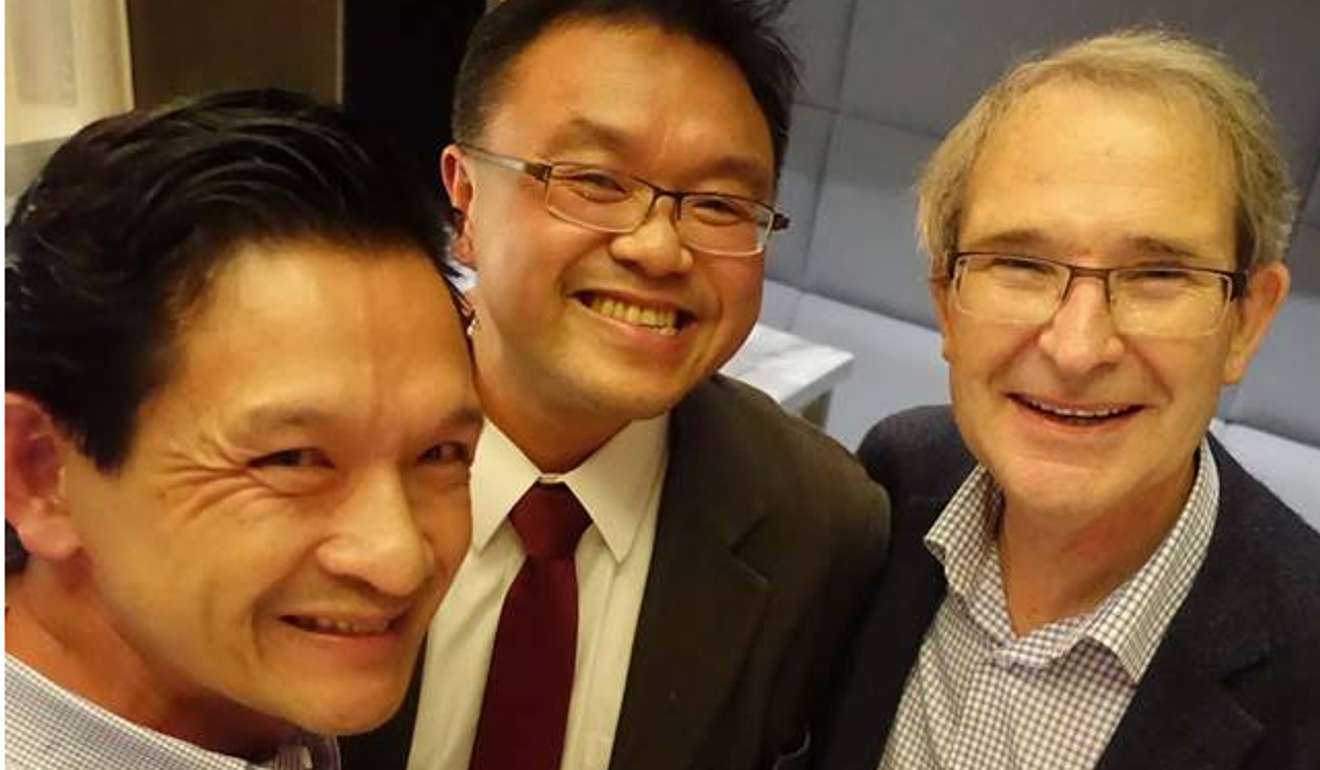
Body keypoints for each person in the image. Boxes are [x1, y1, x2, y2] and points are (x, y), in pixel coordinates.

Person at [339, 2, 890, 769]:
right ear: (465, 198)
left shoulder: (822, 526)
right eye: (595, 181)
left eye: (721, 205)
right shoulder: (303, 456)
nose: (659, 248)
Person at [819, 29, 1320, 770]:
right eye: (1020, 263)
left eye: (1158, 275)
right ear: (947, 303)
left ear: (1247, 319)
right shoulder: (891, 486)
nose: (1078, 349)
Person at [4, 90, 483, 770]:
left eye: (440, 454)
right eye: (292, 460)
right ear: (40, 471)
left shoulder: (253, 707)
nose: (398, 559)